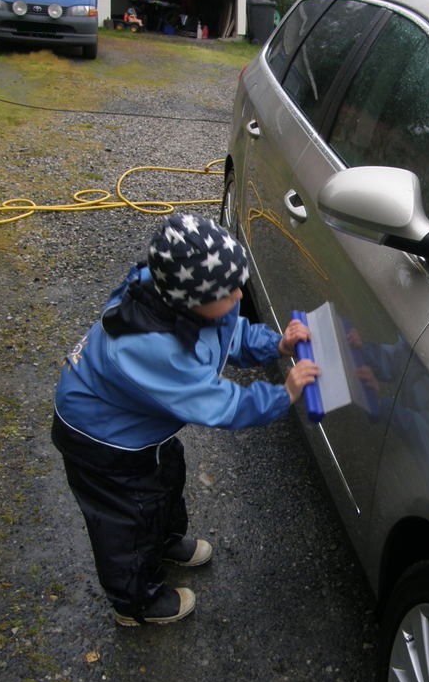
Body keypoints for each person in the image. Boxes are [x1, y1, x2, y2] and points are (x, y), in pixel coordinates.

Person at [51, 213, 319, 626]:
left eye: (237, 285)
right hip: (102, 441)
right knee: (127, 519)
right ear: (190, 300)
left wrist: (276, 345)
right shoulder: (153, 349)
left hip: (142, 431)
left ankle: (164, 541)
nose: (236, 297)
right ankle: (136, 604)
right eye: (227, 293)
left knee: (165, 478)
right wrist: (284, 393)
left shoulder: (195, 298)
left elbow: (229, 332)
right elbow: (220, 404)